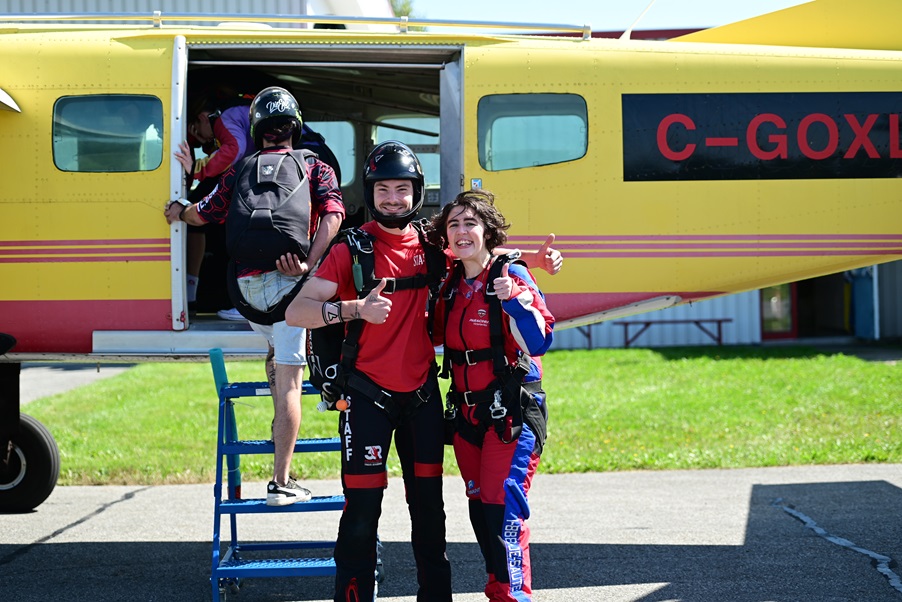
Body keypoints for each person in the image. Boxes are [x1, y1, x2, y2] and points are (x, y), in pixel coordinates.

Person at [284, 141, 562, 602]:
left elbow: (481, 250)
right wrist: (354, 308)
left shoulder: (435, 247)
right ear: (371, 192)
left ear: (416, 193)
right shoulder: (351, 247)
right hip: (368, 398)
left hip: (422, 400)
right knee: (361, 514)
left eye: (403, 189)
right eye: (384, 189)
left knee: (430, 515)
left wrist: (532, 259)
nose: (394, 198)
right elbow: (298, 311)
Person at [165, 86, 345, 505]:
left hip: (245, 294)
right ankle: (281, 483)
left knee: (275, 345)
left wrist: (179, 208)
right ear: (294, 127)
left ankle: (276, 388)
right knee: (290, 383)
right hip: (291, 290)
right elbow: (335, 214)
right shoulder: (315, 167)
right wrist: (309, 264)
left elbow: (200, 213)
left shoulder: (239, 170)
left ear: (256, 128)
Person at [428, 189, 553, 602]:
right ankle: (497, 588)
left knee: (504, 509)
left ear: (487, 231)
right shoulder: (450, 280)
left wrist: (515, 300)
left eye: (471, 223)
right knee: (481, 509)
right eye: (454, 224)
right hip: (467, 419)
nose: (462, 231)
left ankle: (514, 596)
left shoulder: (510, 276)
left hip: (511, 417)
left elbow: (538, 341)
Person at [174, 89, 256, 319]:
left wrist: (197, 167)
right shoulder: (235, 115)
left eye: (197, 131)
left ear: (201, 117)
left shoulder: (222, 118)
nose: (206, 142)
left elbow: (234, 149)